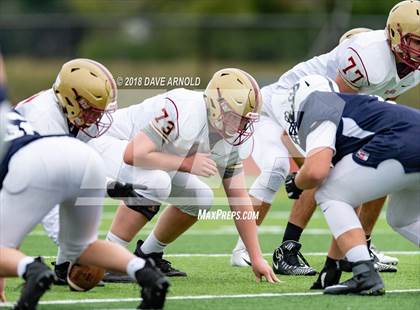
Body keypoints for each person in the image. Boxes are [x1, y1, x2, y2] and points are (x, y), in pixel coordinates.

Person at [231, 0, 419, 275]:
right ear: (395, 34)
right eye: (415, 41)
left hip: (337, 104)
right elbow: (335, 103)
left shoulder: (412, 70)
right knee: (324, 164)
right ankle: (288, 248)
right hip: (299, 98)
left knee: (383, 155)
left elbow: (384, 109)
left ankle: (360, 245)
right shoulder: (368, 56)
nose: (418, 49)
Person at [89, 68, 279, 284]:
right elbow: (134, 154)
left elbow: (239, 198)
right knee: (156, 182)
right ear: (218, 106)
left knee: (200, 198)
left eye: (246, 121)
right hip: (108, 143)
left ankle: (149, 254)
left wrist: (256, 257)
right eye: (238, 119)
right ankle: (109, 259)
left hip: (149, 159)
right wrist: (186, 163)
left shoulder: (226, 137)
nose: (242, 127)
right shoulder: (183, 109)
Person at [0, 112, 169, 308]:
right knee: (84, 247)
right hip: (83, 155)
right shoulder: (13, 112)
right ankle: (145, 272)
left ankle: (32, 270)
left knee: (4, 246)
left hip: (33, 162)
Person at [281, 74, 419, 295]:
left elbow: (316, 171)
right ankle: (353, 267)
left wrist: (296, 183)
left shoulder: (318, 103)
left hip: (401, 143)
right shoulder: (353, 110)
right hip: (411, 133)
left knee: (328, 192)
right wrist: (331, 265)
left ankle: (365, 274)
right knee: (403, 218)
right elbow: (349, 196)